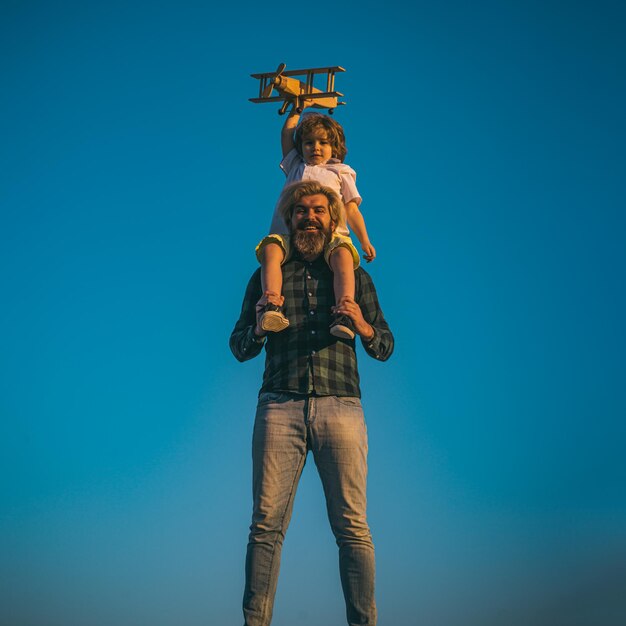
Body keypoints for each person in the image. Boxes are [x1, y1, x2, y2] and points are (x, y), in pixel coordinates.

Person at [230, 180, 394, 626]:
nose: (310, 217)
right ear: (288, 218)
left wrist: (361, 324)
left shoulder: (354, 276)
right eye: (301, 211)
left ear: (332, 217)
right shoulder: (266, 275)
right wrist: (261, 326)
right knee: (265, 527)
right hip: (279, 406)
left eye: (319, 210)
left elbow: (384, 345)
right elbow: (239, 346)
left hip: (341, 406)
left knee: (352, 527)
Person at [255, 109, 376, 340]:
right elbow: (286, 135)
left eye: (323, 142)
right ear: (301, 146)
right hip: (288, 232)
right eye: (309, 143)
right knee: (270, 249)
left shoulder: (341, 172)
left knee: (343, 257)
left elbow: (351, 209)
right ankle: (271, 304)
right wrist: (295, 110)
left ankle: (344, 311)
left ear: (335, 147)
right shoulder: (295, 165)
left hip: (332, 235)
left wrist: (364, 240)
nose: (315, 148)